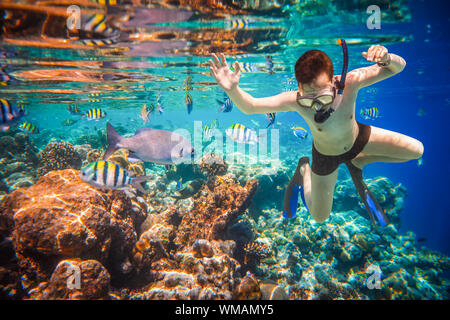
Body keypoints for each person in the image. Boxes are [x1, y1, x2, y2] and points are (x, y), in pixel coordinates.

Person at [208, 42, 424, 226]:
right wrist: (232, 89)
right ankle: (304, 168)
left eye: (322, 98)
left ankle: (359, 160)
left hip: (359, 139)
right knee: (320, 217)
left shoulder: (350, 82)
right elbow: (251, 106)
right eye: (307, 99)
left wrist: (387, 58)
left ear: (334, 83)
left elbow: (397, 67)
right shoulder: (293, 100)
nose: (316, 107)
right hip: (325, 156)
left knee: (416, 150)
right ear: (299, 90)